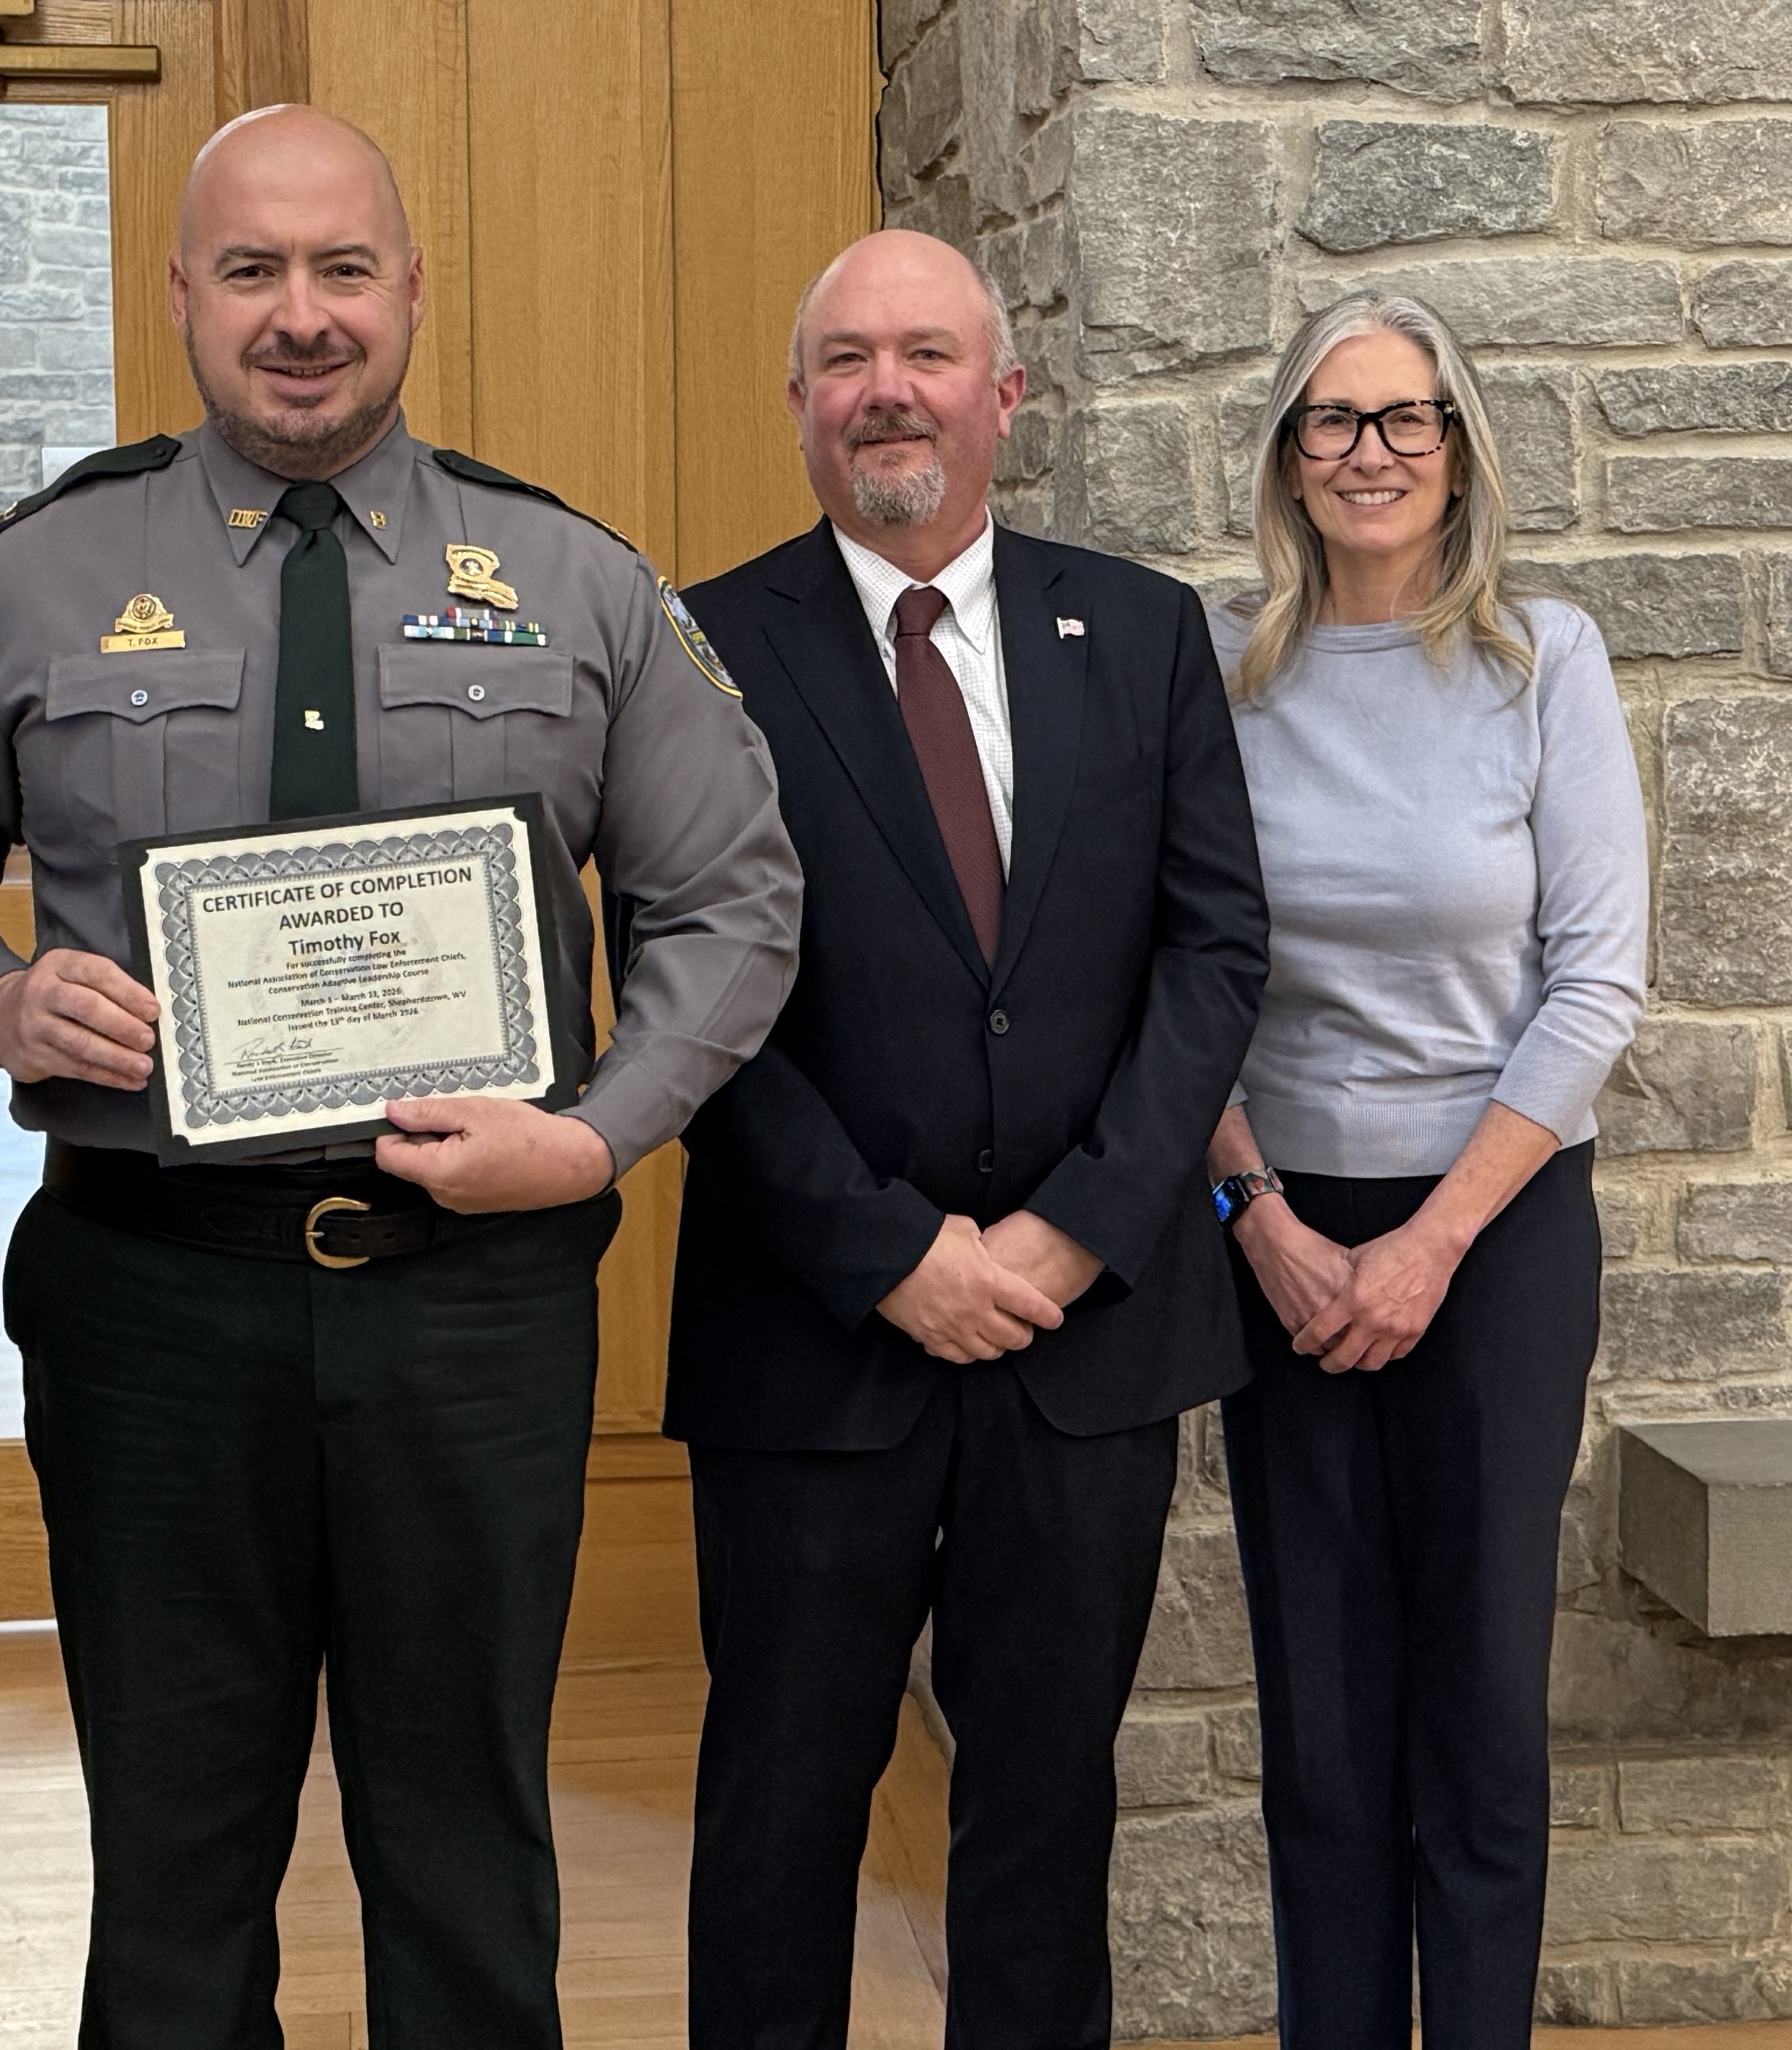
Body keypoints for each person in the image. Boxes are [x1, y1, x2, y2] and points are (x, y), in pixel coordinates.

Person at [0, 104, 799, 2049]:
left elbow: (737, 901)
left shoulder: (576, 579)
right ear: (182, 294)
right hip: (151, 1303)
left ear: (411, 294)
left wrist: (602, 1134)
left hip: (474, 1310)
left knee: (462, 1849)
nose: (302, 315)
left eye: (342, 268)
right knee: (177, 1859)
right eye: (256, 271)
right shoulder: (40, 576)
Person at [663, 228, 1271, 2049]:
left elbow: (1213, 944)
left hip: (1085, 1344)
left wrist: (1075, 1232)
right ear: (796, 409)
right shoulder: (700, 648)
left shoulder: (1143, 628)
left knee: (1043, 1807)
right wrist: (893, 1255)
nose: (885, 390)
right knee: (779, 1811)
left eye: (925, 353)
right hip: (815, 1335)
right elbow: (684, 983)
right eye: (844, 359)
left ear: (1004, 397)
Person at [1203, 292, 1646, 2050]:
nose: (1368, 452)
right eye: (1331, 420)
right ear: (1286, 460)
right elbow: (1180, 978)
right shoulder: (1219, 674)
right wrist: (1261, 1220)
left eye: (1405, 419)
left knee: (1474, 1699)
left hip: (1498, 1234)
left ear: (1458, 451)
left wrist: (1435, 1241)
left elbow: (1596, 975)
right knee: (1318, 1709)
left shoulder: (1547, 661)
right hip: (1279, 1241)